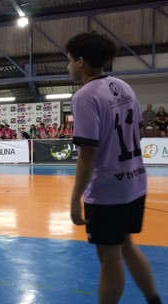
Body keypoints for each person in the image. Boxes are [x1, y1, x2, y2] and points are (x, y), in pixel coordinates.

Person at [66, 31, 161, 304]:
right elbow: (138, 133)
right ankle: (154, 299)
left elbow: (88, 152)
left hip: (108, 191)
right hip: (136, 183)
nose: (68, 66)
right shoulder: (125, 86)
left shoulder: (85, 96)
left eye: (69, 60)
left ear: (81, 61)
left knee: (110, 256)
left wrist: (75, 199)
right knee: (127, 246)